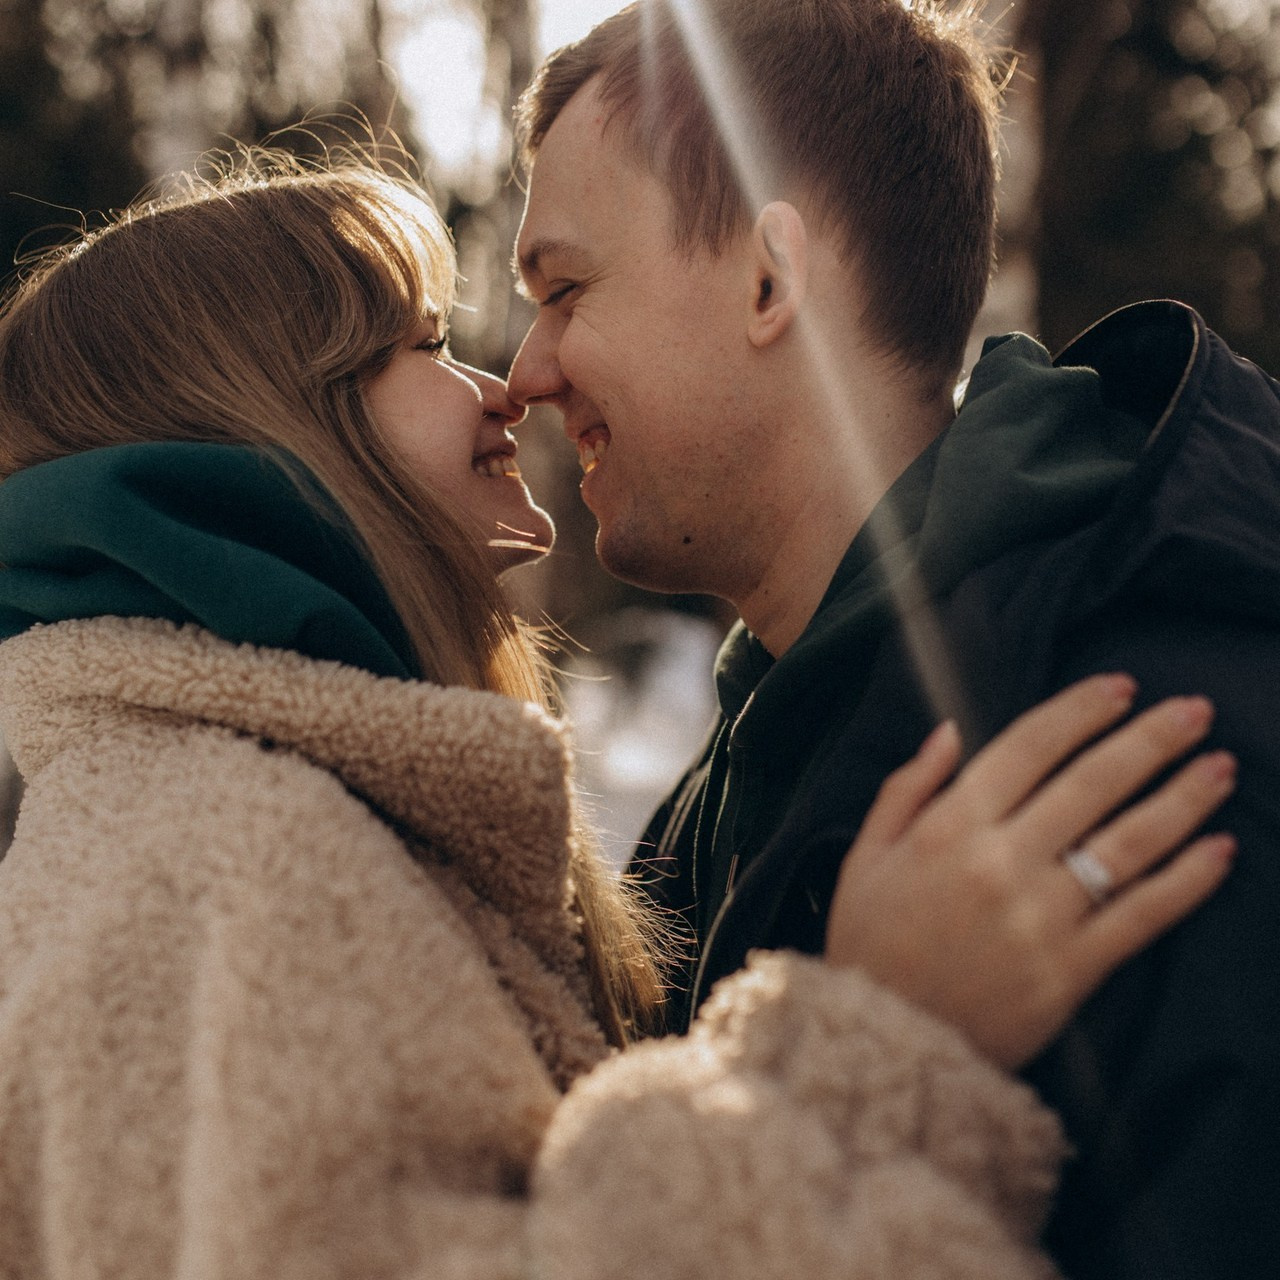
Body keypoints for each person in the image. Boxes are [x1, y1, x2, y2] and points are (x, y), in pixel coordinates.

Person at [0, 151, 1238, 1279]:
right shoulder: (217, 854)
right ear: (268, 424)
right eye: (421, 345)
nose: (506, 386)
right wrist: (876, 1045)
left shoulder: (238, 814)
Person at [506, 1, 1280, 1276]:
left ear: (769, 278)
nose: (526, 371)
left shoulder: (1145, 743)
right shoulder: (735, 776)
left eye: (565, 289)